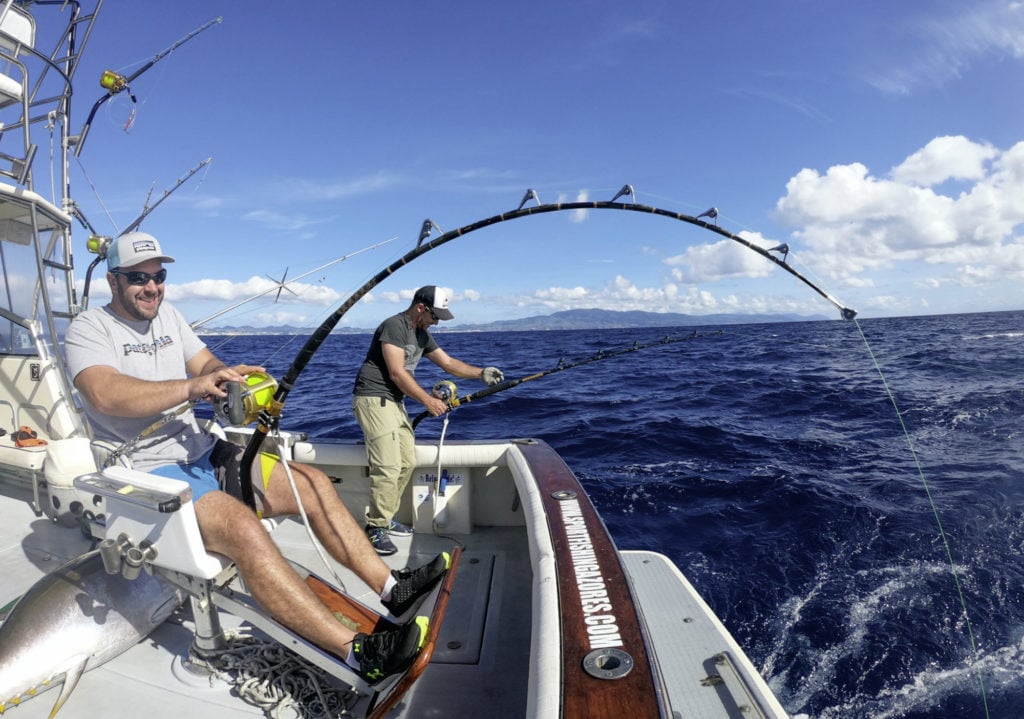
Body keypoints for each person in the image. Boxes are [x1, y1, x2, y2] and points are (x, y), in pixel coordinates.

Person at [64, 231, 448, 684]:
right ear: (113, 281)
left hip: (204, 452)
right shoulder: (89, 329)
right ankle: (357, 653)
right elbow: (104, 394)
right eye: (137, 278)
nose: (151, 287)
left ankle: (392, 590)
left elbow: (203, 363)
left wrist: (227, 377)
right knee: (242, 528)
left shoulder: (168, 316)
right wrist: (189, 388)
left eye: (159, 276)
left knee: (312, 484)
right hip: (149, 472)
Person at [353, 285, 503, 555]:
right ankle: (375, 527)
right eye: (435, 317)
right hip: (373, 399)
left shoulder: (422, 335)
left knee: (407, 462)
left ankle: (384, 520)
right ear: (421, 308)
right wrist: (428, 401)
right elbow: (397, 374)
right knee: (387, 466)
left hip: (394, 403)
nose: (436, 323)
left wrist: (481, 373)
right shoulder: (394, 326)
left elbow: (448, 363)